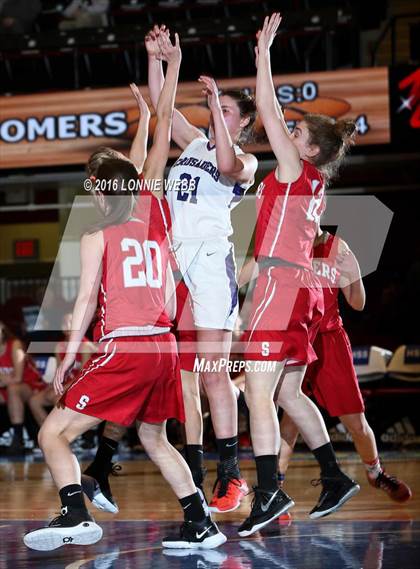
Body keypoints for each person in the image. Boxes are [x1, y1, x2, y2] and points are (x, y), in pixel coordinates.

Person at [23, 31, 226, 552]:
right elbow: (157, 138)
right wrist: (172, 64)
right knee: (154, 436)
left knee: (53, 434)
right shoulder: (153, 209)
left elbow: (86, 303)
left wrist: (64, 358)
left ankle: (73, 512)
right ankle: (199, 521)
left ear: (96, 188)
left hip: (129, 347)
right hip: (164, 346)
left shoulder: (98, 235)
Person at [237, 13, 359, 537]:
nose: (289, 131)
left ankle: (268, 492)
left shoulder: (294, 171)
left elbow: (265, 107)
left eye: (297, 131)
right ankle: (333, 475)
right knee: (288, 394)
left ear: (308, 151)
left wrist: (263, 55)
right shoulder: (311, 183)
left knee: (257, 395)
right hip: (301, 294)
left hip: (281, 287)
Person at [146, 24, 258, 513]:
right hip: (174, 254)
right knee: (166, 364)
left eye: (227, 110)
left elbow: (231, 165)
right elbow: (162, 108)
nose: (217, 111)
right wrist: (160, 60)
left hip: (211, 260)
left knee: (214, 374)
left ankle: (231, 476)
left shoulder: (247, 161)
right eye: (218, 105)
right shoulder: (193, 144)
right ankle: (118, 460)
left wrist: (215, 106)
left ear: (242, 124)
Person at [278, 230, 412, 503]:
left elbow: (358, 303)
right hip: (299, 335)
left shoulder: (336, 247)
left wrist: (354, 270)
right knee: (289, 419)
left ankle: (376, 473)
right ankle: (274, 490)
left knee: (355, 422)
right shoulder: (287, 242)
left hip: (329, 340)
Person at [28, 312, 96, 428]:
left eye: (71, 322)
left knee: (58, 400)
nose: (67, 325)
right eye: (64, 323)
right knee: (34, 401)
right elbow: (60, 374)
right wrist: (52, 387)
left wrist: (61, 390)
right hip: (68, 386)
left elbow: (83, 377)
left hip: (87, 388)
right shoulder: (59, 346)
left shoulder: (86, 346)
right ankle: (48, 438)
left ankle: (71, 438)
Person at [0, 320, 44, 455]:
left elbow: (18, 378)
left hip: (30, 385)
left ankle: (18, 438)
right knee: (12, 388)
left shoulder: (15, 345)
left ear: (2, 328)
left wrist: (4, 380)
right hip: (7, 387)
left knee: (13, 388)